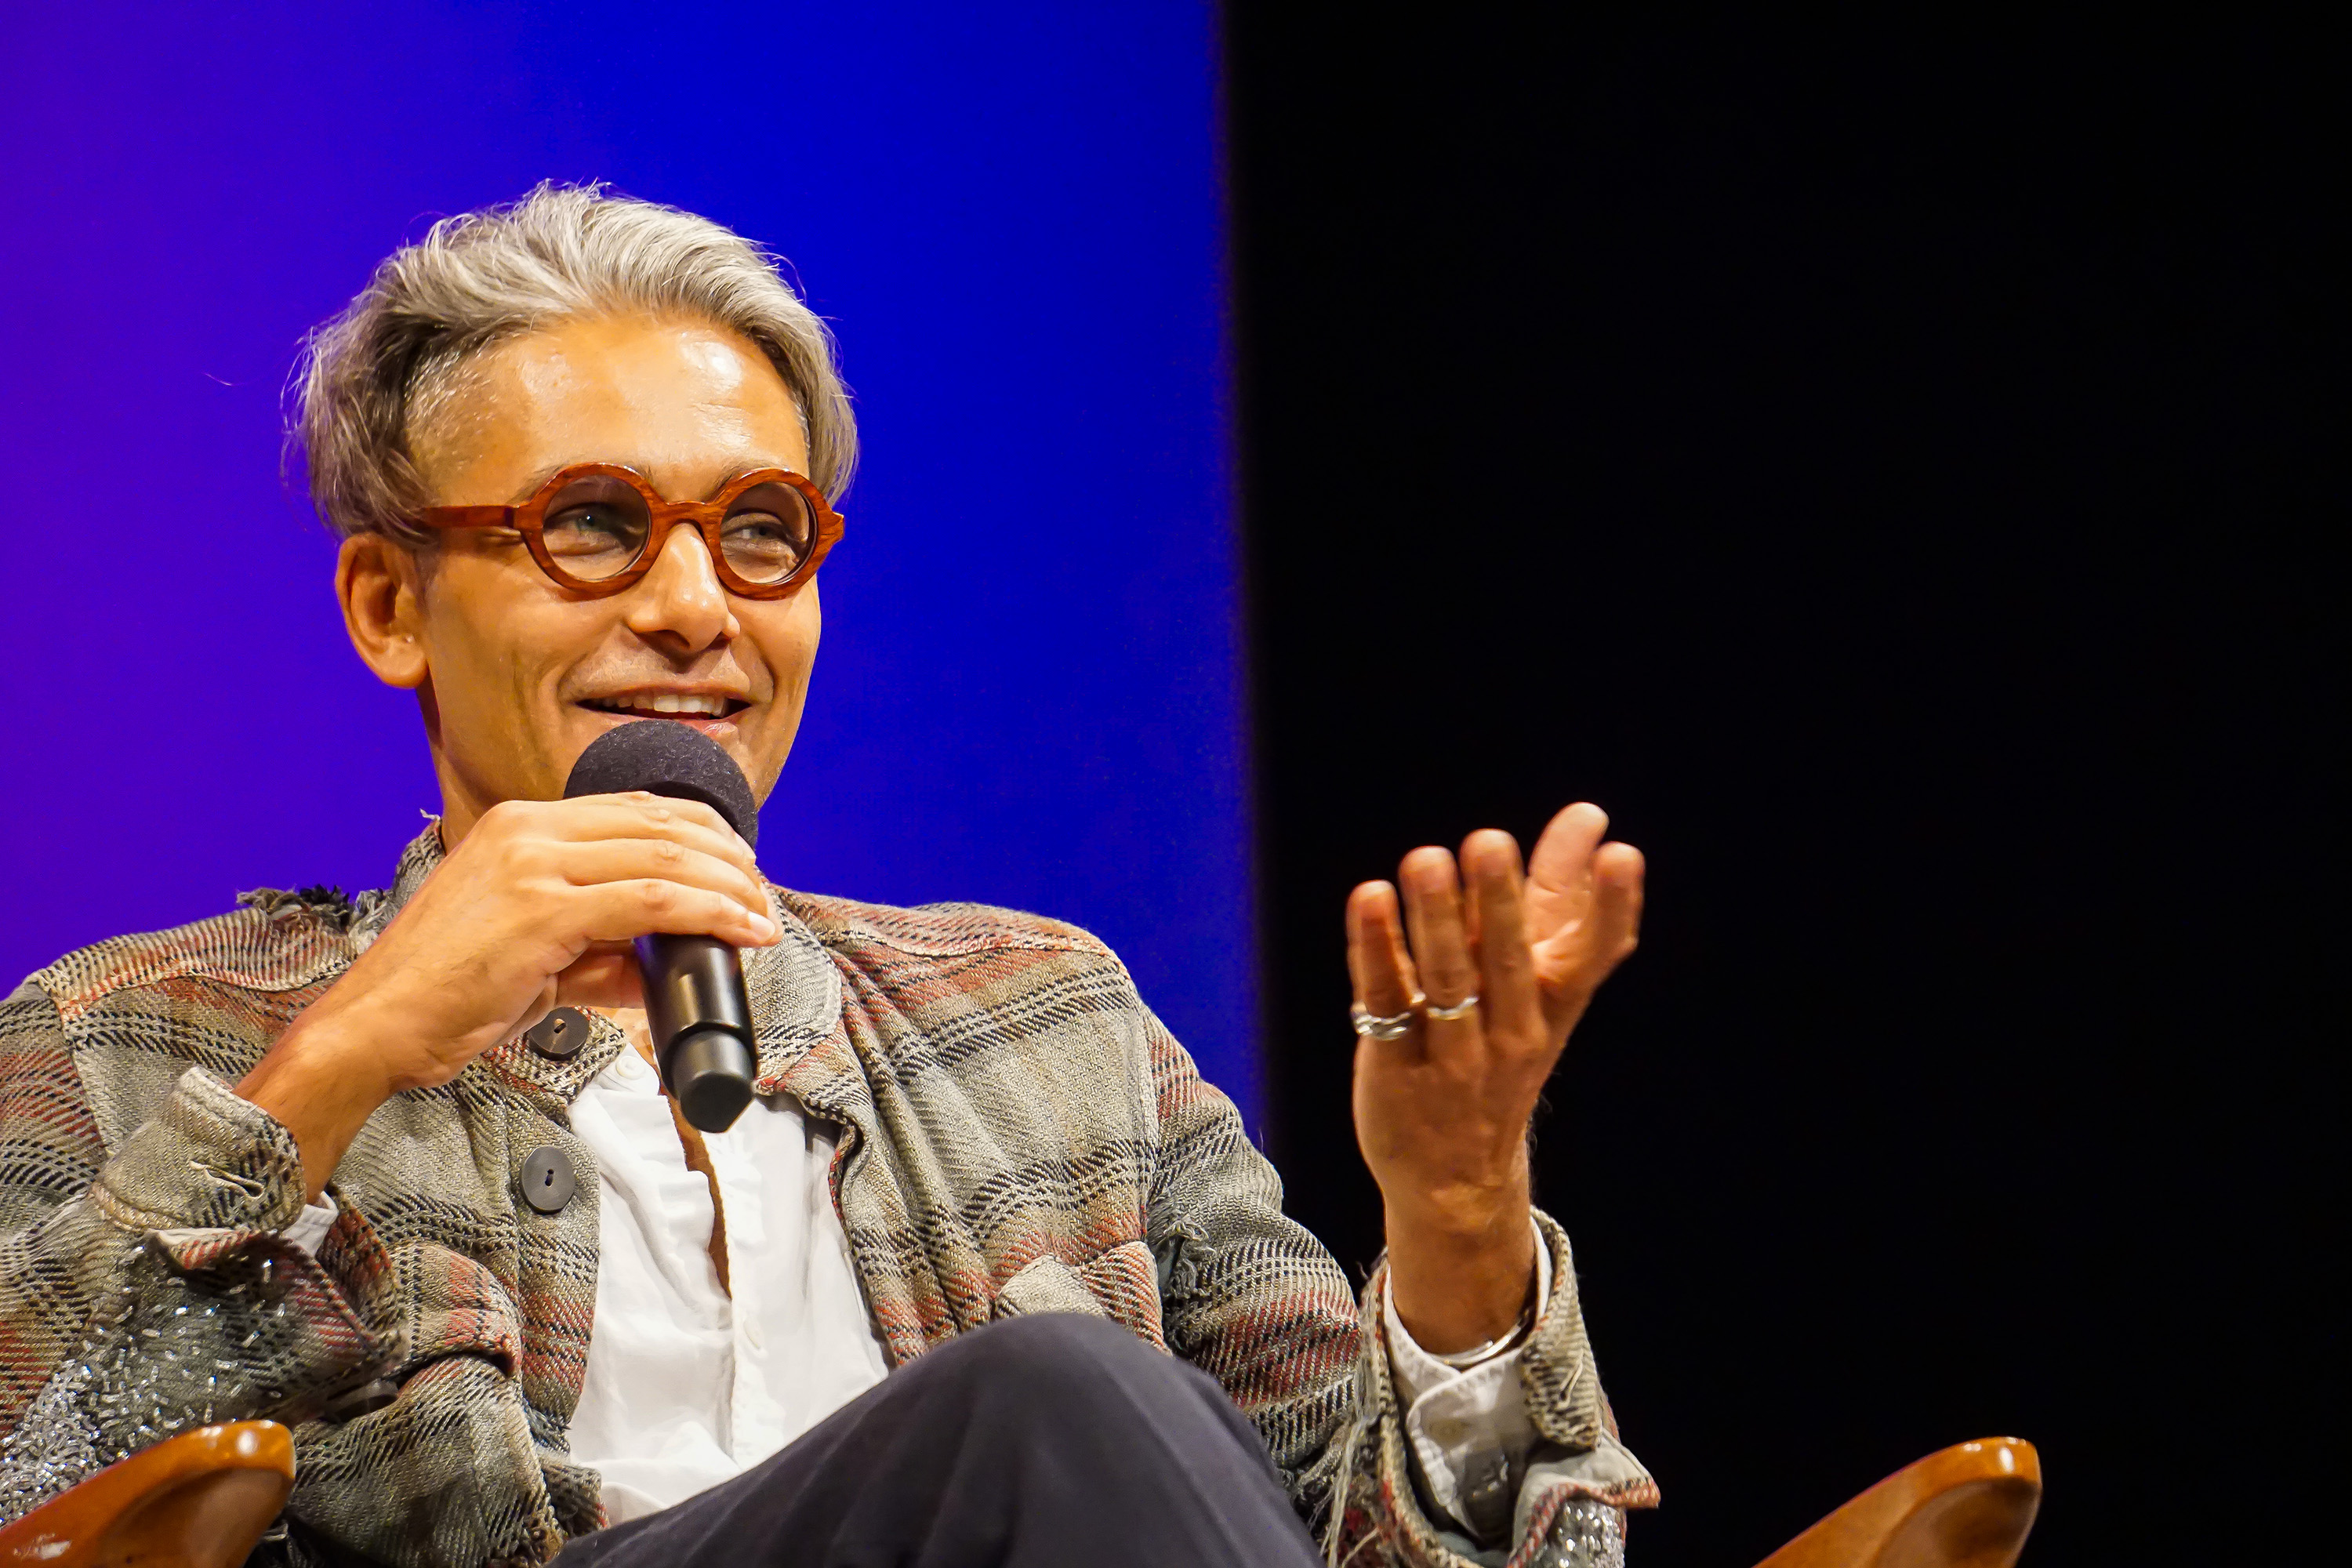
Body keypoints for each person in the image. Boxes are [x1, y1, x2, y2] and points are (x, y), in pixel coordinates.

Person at [0, 186, 1655, 1568]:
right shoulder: (135, 1036)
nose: (695, 606)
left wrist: (1453, 1220)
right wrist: (344, 1059)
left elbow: (1361, 1533)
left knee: (1078, 1409)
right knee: (1053, 1399)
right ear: (387, 603)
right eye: (594, 523)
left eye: (764, 530)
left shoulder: (1046, 1016)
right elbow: (26, 1469)